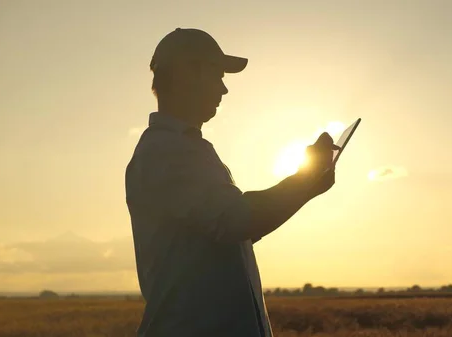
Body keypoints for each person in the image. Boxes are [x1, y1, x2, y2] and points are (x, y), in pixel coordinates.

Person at [125, 28, 338, 337]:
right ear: (188, 74)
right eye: (217, 75)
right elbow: (235, 221)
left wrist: (307, 186)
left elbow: (231, 232)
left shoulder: (182, 149)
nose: (224, 89)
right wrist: (304, 181)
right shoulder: (168, 151)